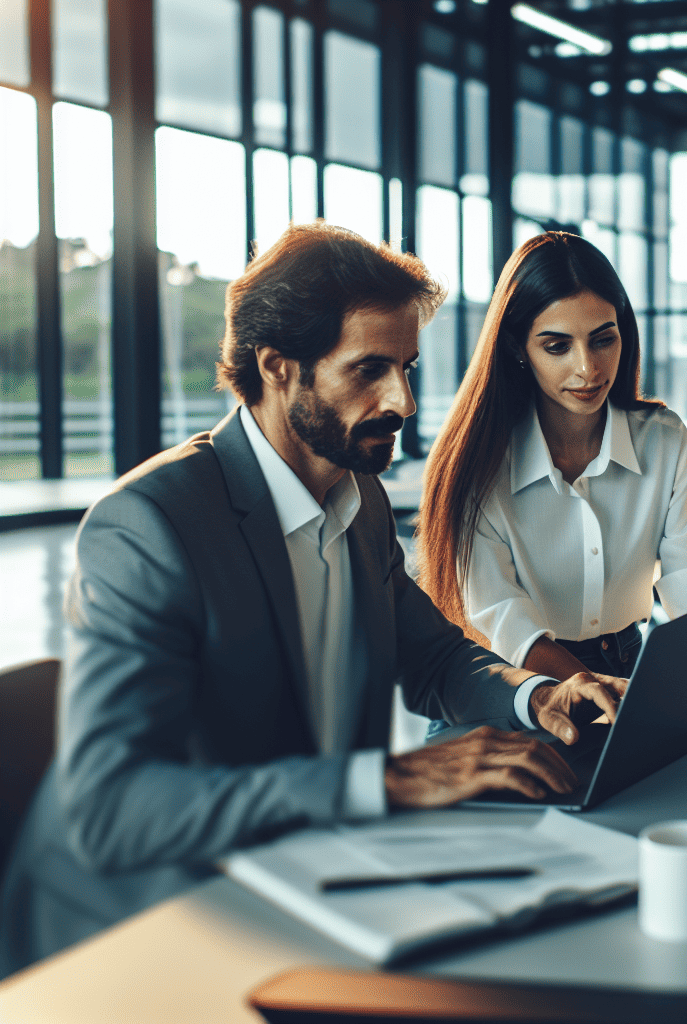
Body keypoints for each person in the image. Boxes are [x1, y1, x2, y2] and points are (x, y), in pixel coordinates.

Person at [0, 225, 625, 973]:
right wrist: (387, 781)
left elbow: (430, 657)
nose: (402, 399)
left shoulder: (354, 493)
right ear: (278, 368)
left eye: (406, 368)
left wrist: (538, 697)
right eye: (370, 370)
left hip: (301, 875)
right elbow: (117, 809)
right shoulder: (150, 526)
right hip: (141, 925)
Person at [415, 232, 687, 724]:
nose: (588, 368)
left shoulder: (662, 440)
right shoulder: (478, 461)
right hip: (514, 681)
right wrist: (588, 690)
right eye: (557, 346)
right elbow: (503, 619)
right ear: (517, 347)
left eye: (603, 338)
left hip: (627, 665)